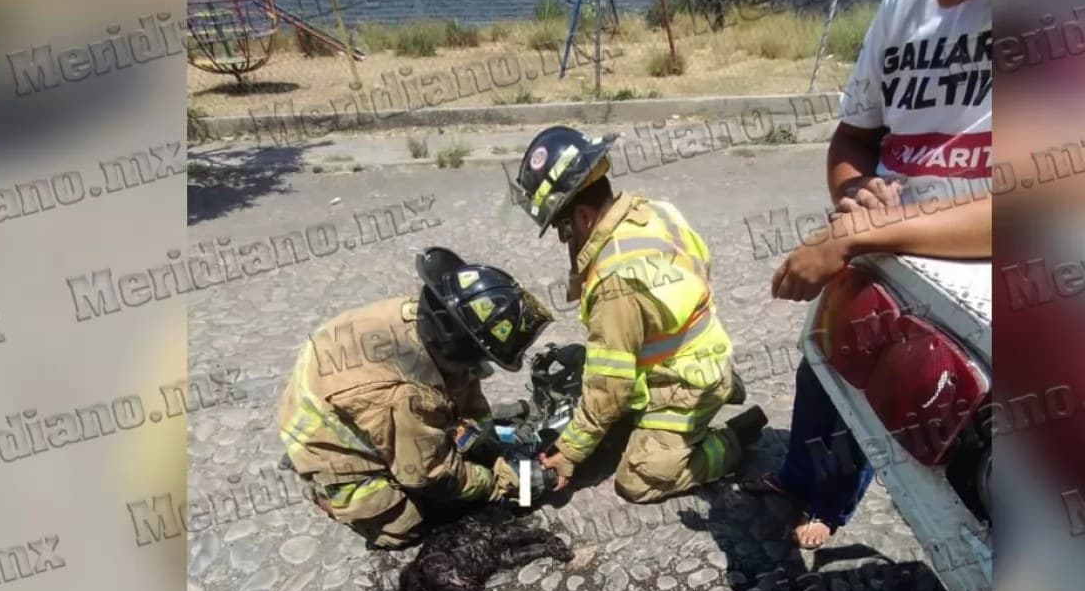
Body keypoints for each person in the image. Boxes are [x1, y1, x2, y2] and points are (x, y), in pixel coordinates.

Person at [757, 0, 993, 548]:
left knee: (946, 452)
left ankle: (829, 506)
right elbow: (854, 137)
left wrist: (856, 233)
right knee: (825, 374)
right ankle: (799, 475)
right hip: (877, 255)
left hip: (980, 294)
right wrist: (857, 196)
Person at [505, 125, 769, 503]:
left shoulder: (616, 280)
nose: (565, 241)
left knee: (640, 478)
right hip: (700, 347)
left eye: (563, 230)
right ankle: (713, 384)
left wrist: (568, 454)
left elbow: (609, 388)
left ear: (583, 217)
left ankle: (728, 444)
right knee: (589, 372)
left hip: (684, 381)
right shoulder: (652, 211)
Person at [274, 247, 554, 549]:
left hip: (338, 391)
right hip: (327, 431)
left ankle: (389, 443)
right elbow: (431, 475)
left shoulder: (430, 317)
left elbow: (466, 388)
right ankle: (325, 488)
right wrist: (510, 483)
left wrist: (487, 444)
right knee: (407, 525)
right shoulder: (404, 395)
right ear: (459, 346)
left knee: (446, 425)